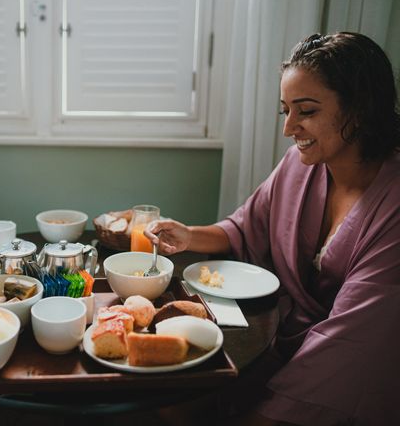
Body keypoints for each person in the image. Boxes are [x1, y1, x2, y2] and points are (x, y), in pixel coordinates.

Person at [146, 32, 400, 425]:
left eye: (307, 111)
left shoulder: (393, 207)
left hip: (346, 366)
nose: (289, 129)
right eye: (285, 111)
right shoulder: (298, 165)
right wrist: (190, 235)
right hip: (278, 340)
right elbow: (246, 227)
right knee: (168, 401)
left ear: (360, 110)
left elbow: (355, 340)